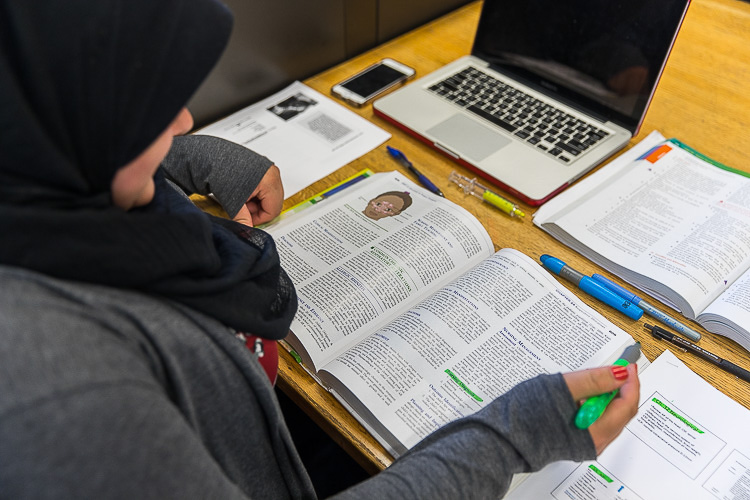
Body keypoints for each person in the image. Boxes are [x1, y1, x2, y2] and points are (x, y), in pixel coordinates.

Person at [0, 0, 640, 498]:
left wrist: (186, 161)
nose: (186, 120)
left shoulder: (36, 183)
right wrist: (514, 436)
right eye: (149, 107)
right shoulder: (65, 399)